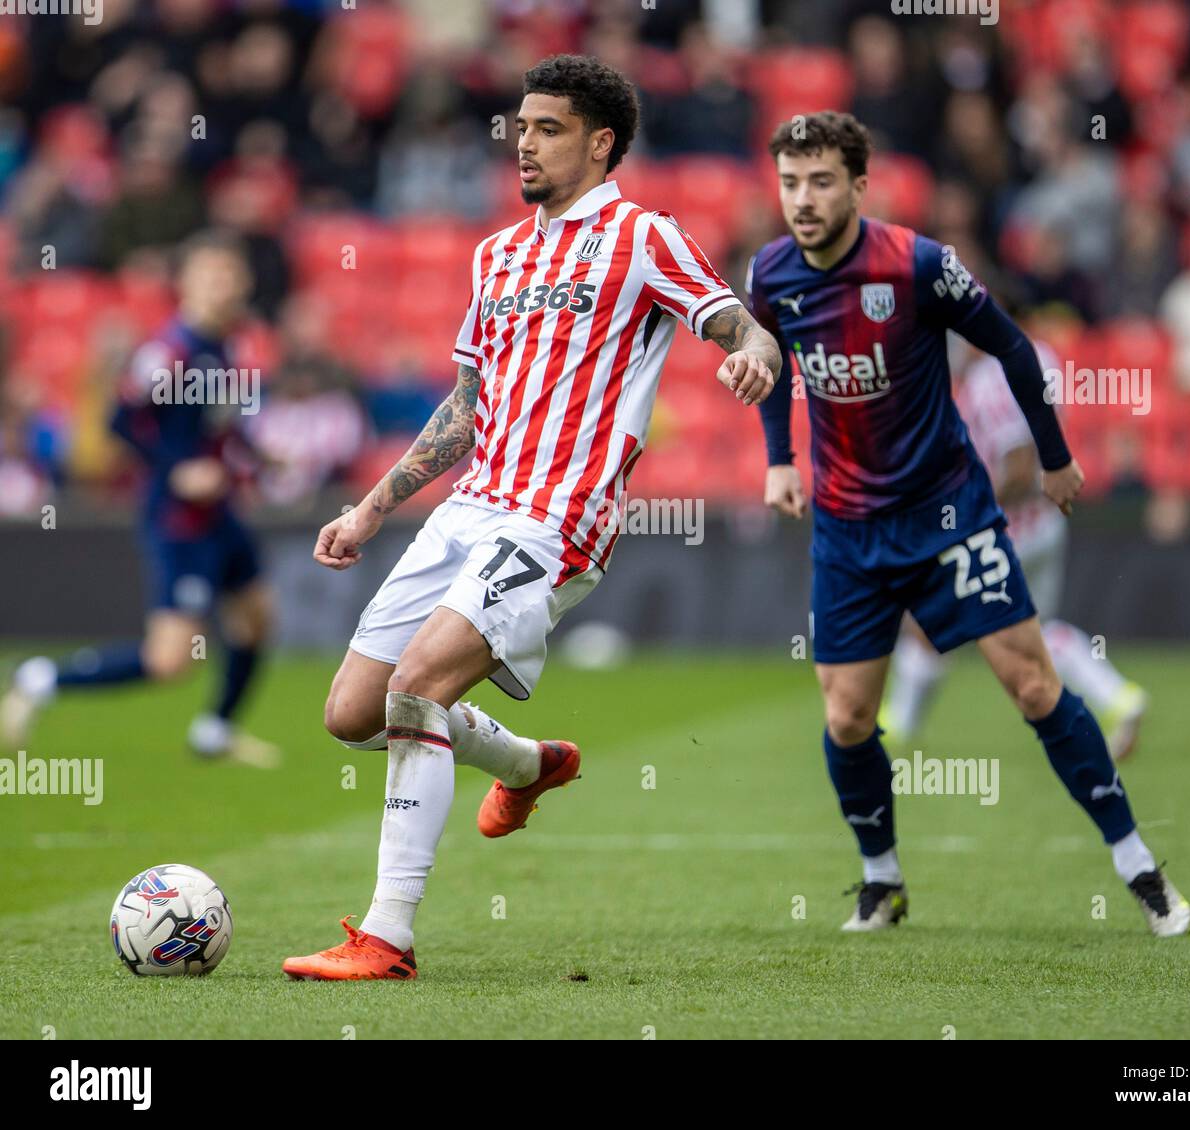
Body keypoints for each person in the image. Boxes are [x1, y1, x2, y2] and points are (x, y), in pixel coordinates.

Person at [281, 55, 780, 980]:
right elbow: (467, 407)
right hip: (470, 509)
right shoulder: (497, 254)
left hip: (557, 516)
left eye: (546, 128)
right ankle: (524, 764)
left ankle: (387, 936)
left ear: (600, 142)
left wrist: (756, 351)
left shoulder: (642, 236)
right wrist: (371, 506)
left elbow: (735, 320)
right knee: (352, 714)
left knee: (419, 686)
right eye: (519, 125)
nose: (524, 142)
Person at [748, 112, 1190, 937]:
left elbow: (1016, 348)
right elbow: (770, 361)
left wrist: (1053, 459)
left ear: (858, 185)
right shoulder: (771, 274)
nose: (802, 200)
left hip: (949, 514)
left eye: (821, 181)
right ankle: (882, 880)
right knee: (848, 717)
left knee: (1031, 683)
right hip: (847, 528)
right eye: (790, 182)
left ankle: (1139, 865)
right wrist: (780, 458)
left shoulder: (915, 264)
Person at [1, 230, 278, 767]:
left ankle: (215, 732)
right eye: (212, 274)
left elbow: (213, 423)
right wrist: (177, 471)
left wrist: (257, 456)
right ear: (187, 284)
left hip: (219, 512)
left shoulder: (223, 344)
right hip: (181, 520)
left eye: (231, 273)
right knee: (169, 660)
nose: (225, 284)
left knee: (256, 617)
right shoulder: (168, 350)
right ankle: (39, 676)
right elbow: (120, 422)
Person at [881, 336, 1149, 761]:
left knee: (924, 616)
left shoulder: (990, 380)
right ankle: (1119, 698)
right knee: (1037, 630)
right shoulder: (1040, 353)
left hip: (1006, 529)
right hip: (1044, 521)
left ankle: (898, 726)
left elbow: (1020, 468)